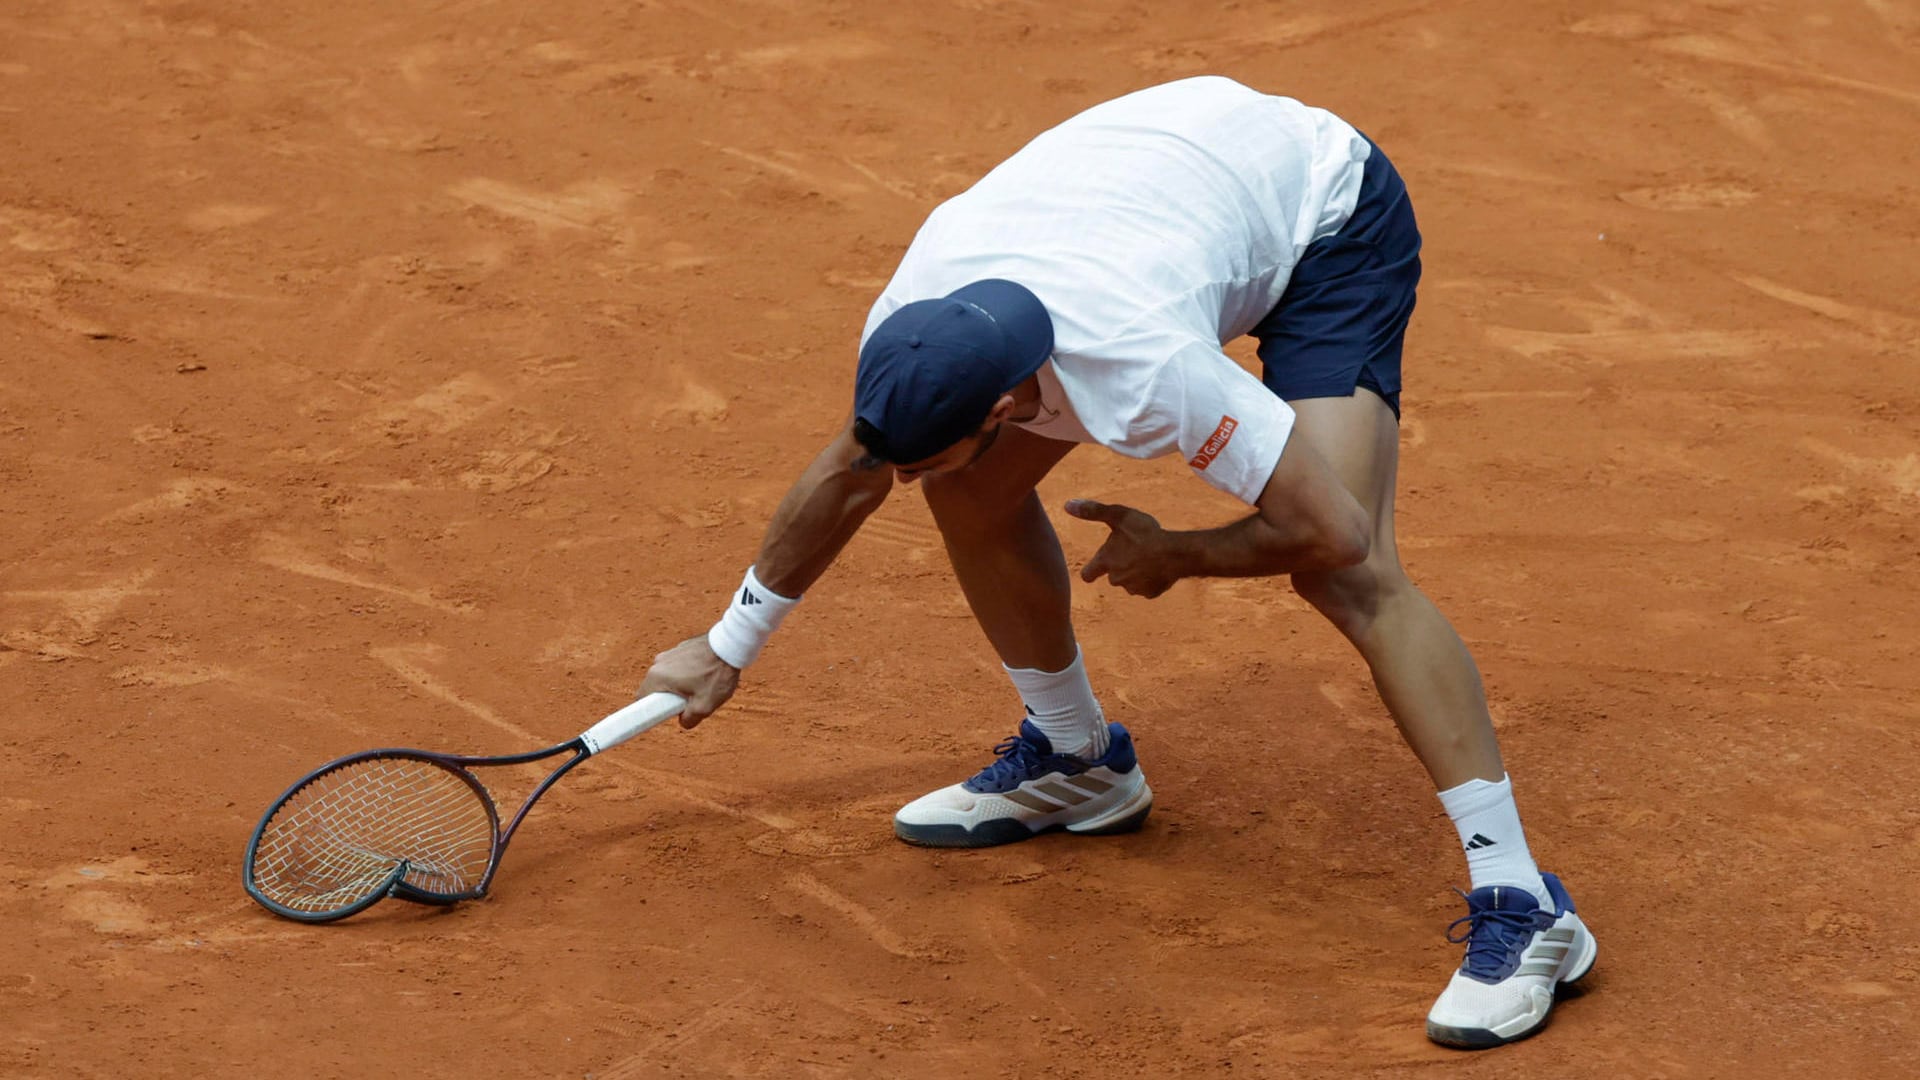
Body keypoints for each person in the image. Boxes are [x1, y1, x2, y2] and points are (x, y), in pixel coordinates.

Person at [638, 75, 1595, 1049]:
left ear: (1004, 405)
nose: (894, 473)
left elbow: (1331, 529)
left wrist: (1179, 552)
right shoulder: (917, 316)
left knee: (1350, 574)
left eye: (921, 450)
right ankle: (1076, 758)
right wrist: (728, 643)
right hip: (1168, 194)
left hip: (1323, 217)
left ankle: (1525, 902)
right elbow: (853, 468)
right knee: (963, 488)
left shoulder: (1141, 365)